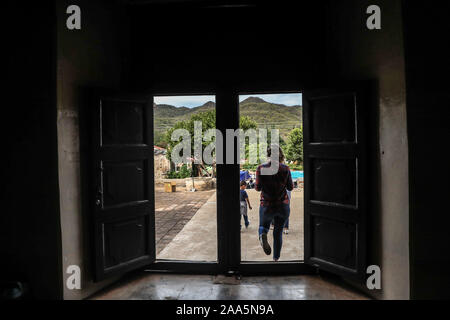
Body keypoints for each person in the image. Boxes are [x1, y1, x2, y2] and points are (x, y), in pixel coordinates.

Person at [255, 145, 293, 261]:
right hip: (283, 205)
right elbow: (290, 187)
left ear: (268, 155)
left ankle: (263, 234)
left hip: (267, 205)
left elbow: (257, 188)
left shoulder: (261, 168)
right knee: (278, 233)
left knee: (263, 226)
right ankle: (276, 258)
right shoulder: (285, 169)